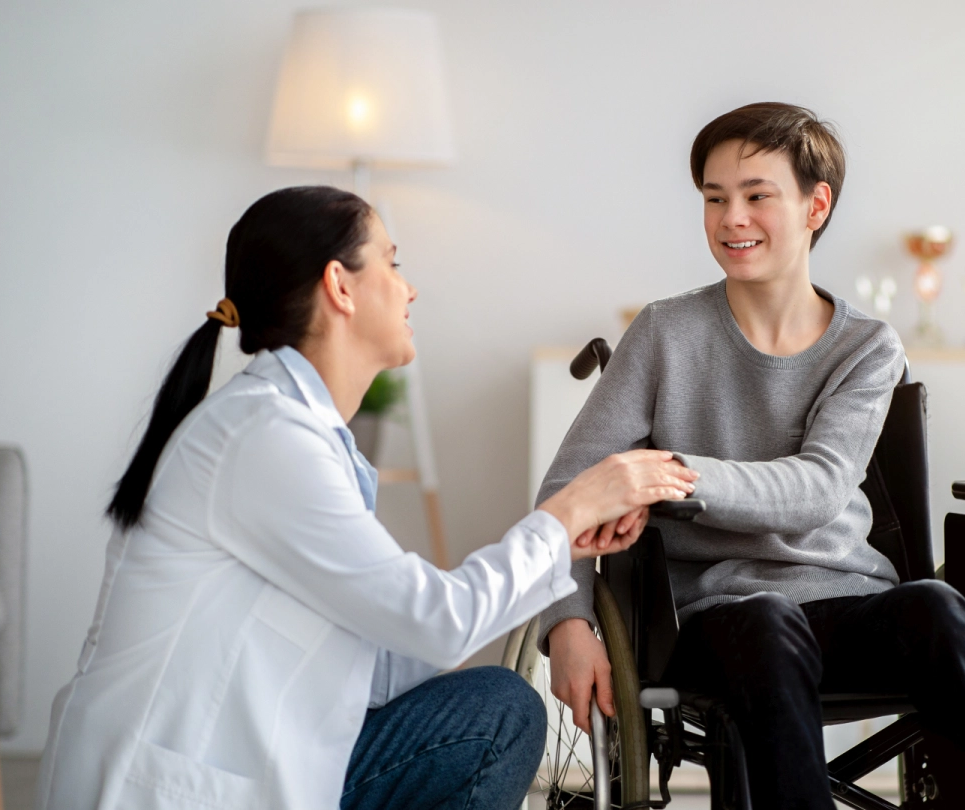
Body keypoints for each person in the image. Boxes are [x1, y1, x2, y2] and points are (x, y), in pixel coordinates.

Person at [35, 186, 698, 810]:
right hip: (171, 785)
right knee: (499, 712)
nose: (409, 288)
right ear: (339, 286)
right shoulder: (266, 438)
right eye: (392, 262)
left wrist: (560, 545)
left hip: (244, 764)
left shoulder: (292, 432)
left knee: (493, 705)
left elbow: (381, 668)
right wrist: (569, 511)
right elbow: (434, 621)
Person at [537, 103, 965, 809]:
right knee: (766, 621)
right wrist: (570, 623)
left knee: (939, 607)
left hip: (848, 605)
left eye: (757, 196)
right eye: (714, 198)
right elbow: (568, 490)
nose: (732, 218)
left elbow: (822, 487)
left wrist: (670, 475)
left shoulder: (867, 348)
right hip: (717, 616)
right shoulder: (665, 334)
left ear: (814, 205)